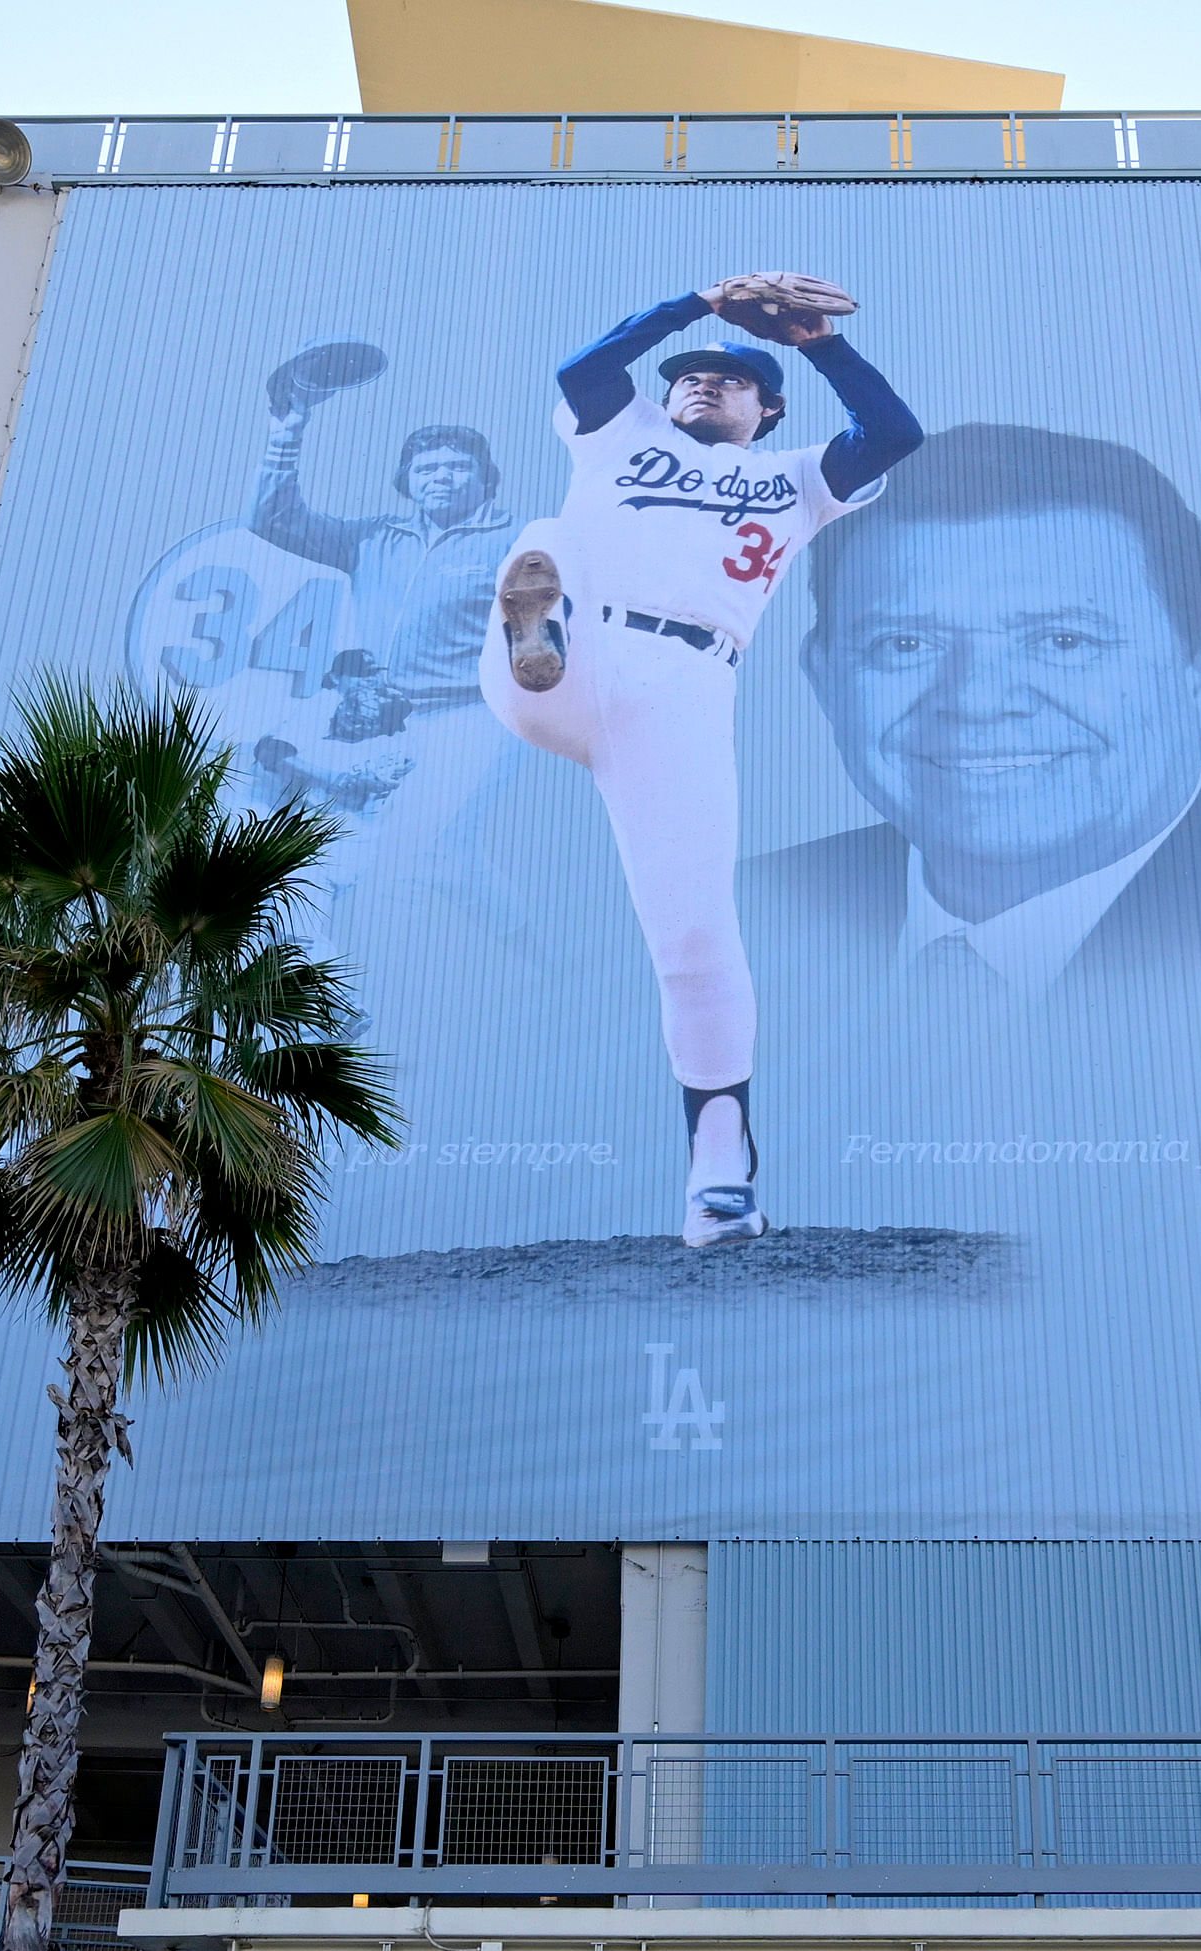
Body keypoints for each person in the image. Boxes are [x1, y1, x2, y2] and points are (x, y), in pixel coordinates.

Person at [480, 276, 925, 1246]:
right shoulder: (619, 431)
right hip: (576, 650)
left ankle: (719, 1173)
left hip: (684, 692)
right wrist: (698, 305)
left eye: (731, 380)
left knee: (693, 937)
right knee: (544, 540)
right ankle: (534, 633)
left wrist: (817, 345)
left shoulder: (798, 480)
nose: (703, 385)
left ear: (768, 410)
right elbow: (582, 370)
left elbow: (893, 435)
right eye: (691, 377)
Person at [745, 423, 1201, 1010]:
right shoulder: (743, 919)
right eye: (905, 645)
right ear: (825, 681)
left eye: (1064, 642)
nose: (977, 703)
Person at [244, 381, 526, 908]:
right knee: (416, 864)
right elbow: (273, 521)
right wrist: (286, 436)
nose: (440, 476)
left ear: (486, 479)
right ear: (408, 483)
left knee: (423, 855)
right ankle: (550, 955)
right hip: (382, 720)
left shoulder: (520, 539)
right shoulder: (373, 537)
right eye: (425, 469)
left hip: (467, 720)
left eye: (457, 466)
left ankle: (548, 958)